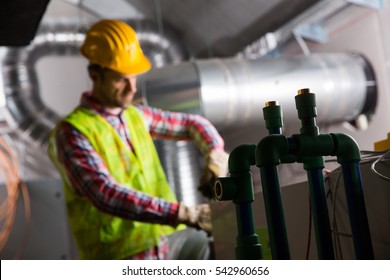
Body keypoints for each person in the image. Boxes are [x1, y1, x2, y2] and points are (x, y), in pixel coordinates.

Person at [47, 19, 229, 260]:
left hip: (167, 243)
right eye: (121, 79)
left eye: (134, 78)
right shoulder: (72, 132)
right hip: (121, 257)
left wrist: (215, 157)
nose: (132, 88)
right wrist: (184, 213)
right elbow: (105, 193)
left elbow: (193, 124)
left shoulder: (136, 116)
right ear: (95, 74)